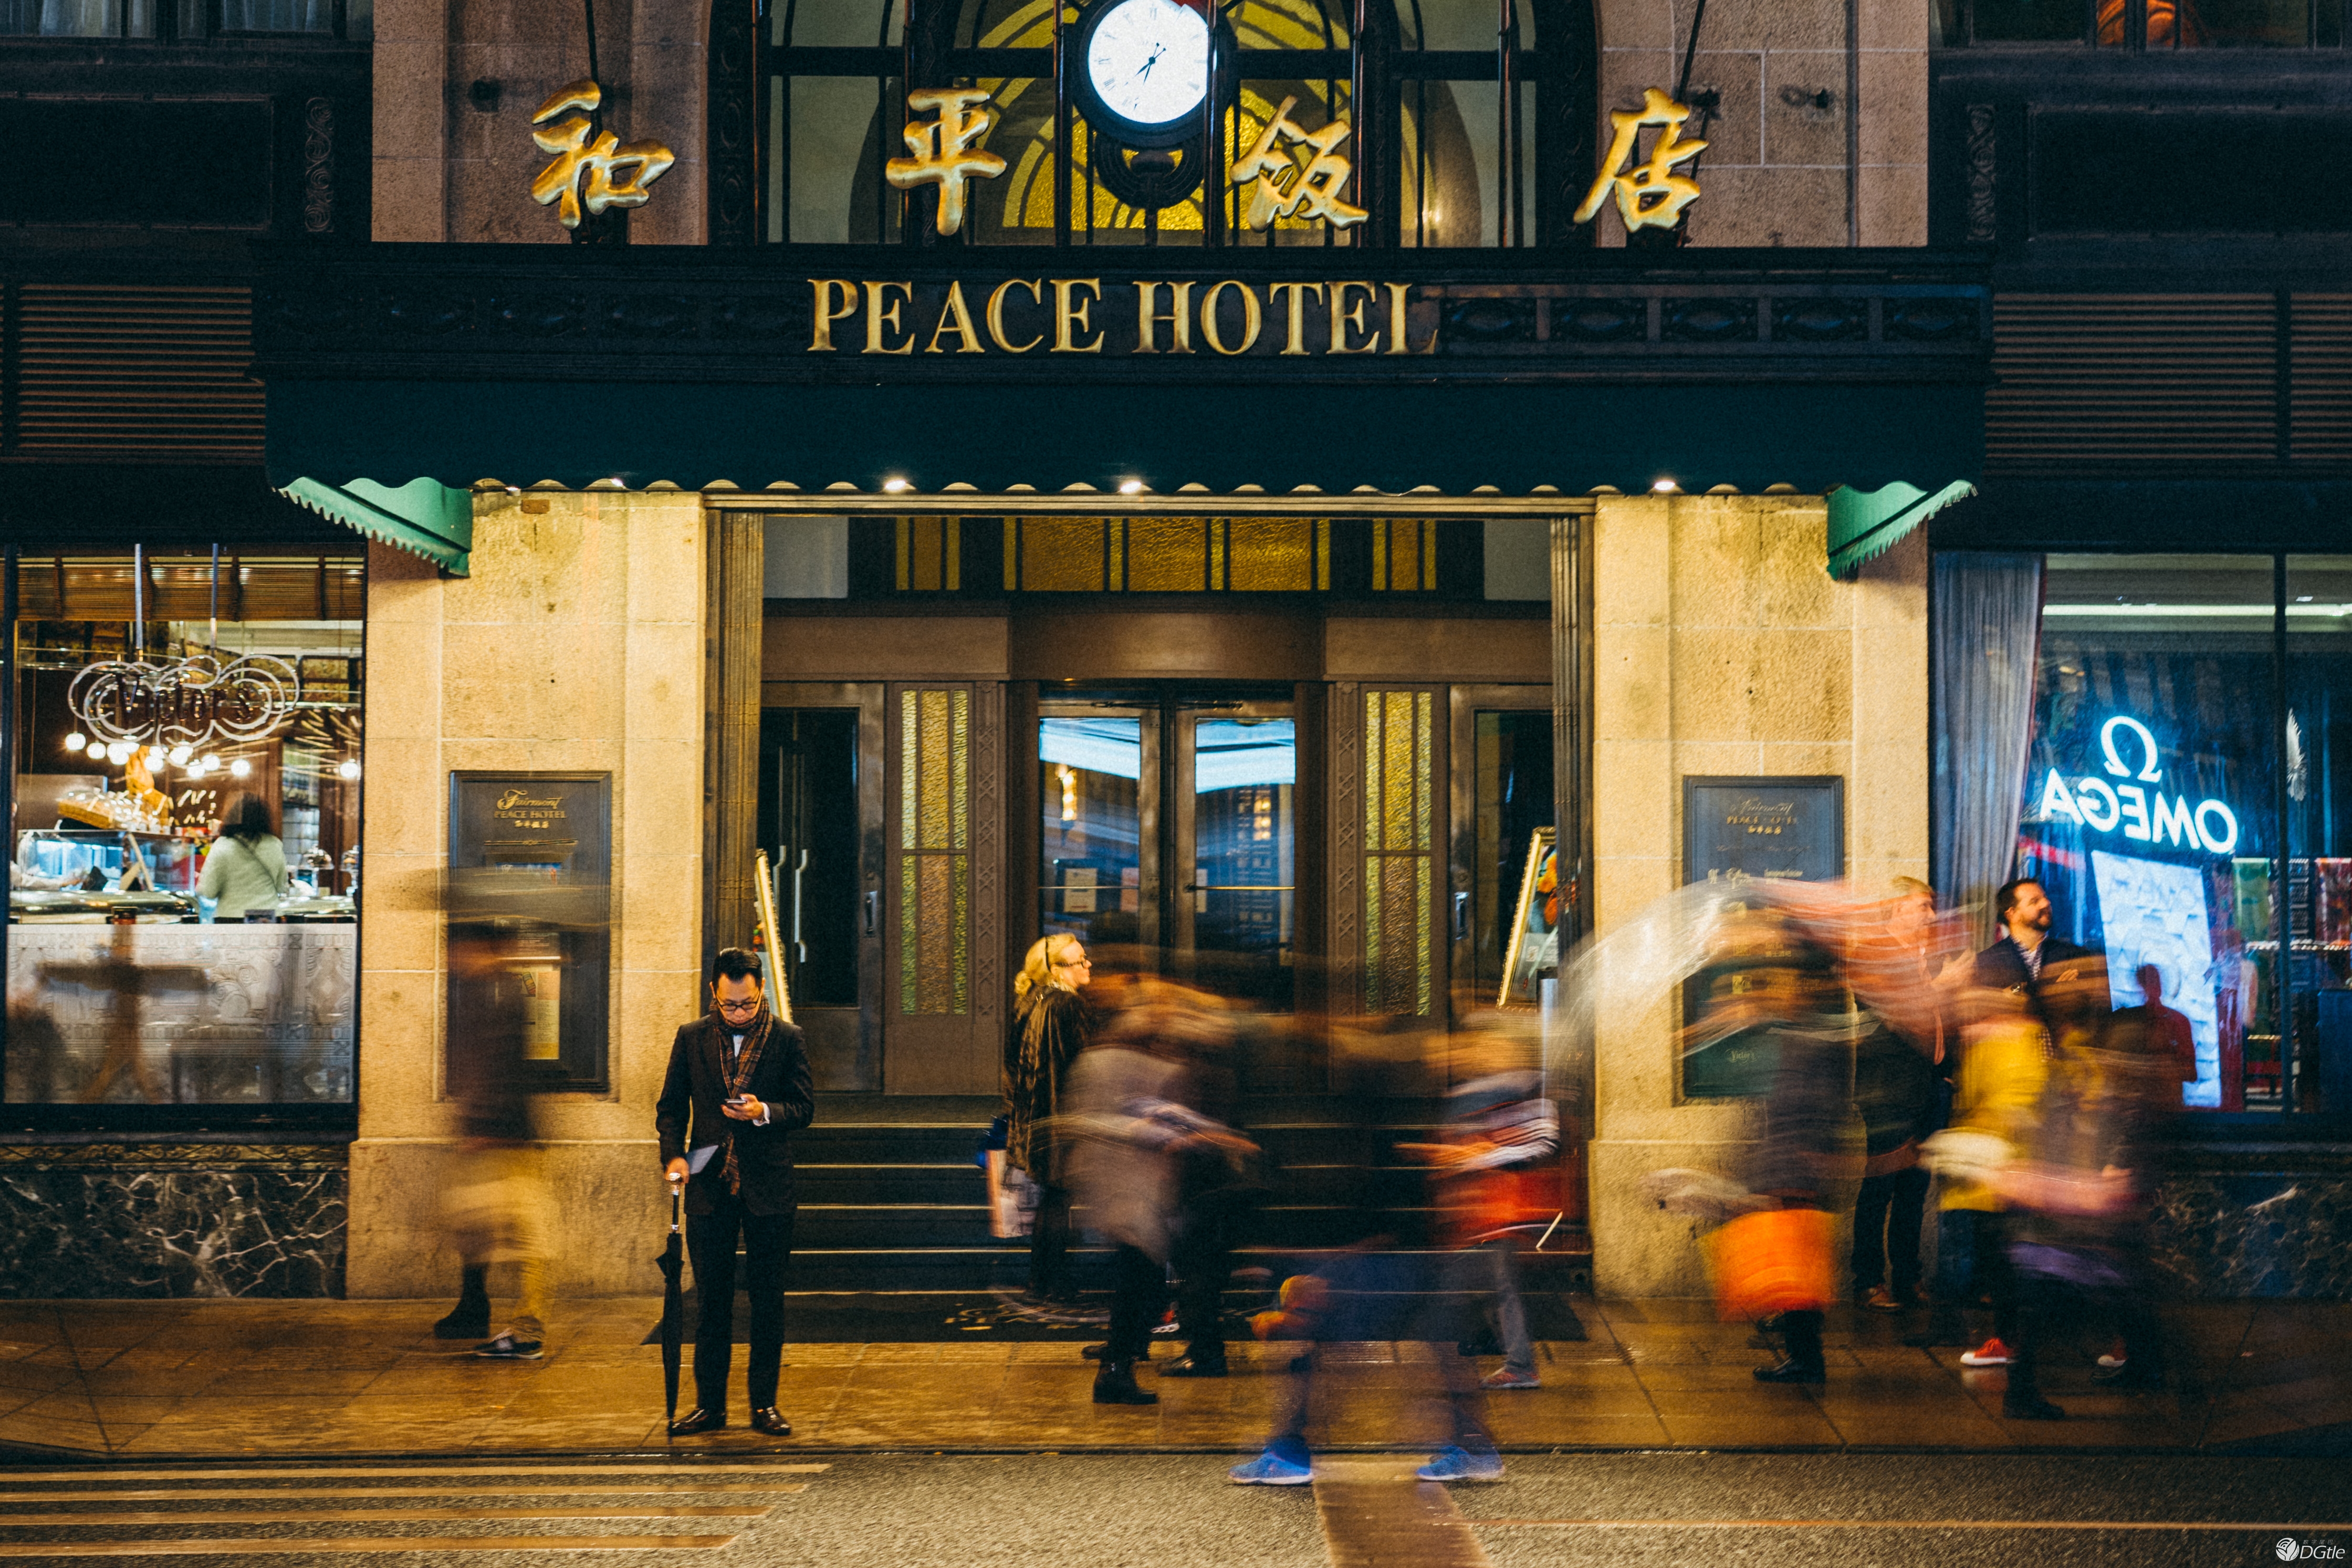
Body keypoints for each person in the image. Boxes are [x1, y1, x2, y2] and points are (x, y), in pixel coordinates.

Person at [1060, 979, 1257, 1406]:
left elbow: (1163, 1119)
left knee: (1140, 1284)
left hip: (1134, 1194)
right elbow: (1132, 1121)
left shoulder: (1120, 1063)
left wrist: (1210, 1137)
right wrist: (1202, 1139)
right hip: (1136, 1195)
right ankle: (1116, 1369)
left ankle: (1118, 1366)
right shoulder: (1140, 1066)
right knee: (1139, 1285)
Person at [656, 948, 814, 1437]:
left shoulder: (787, 1039)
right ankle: (710, 1406)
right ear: (714, 994)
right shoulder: (692, 1038)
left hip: (768, 1184)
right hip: (709, 1185)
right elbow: (670, 1108)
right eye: (729, 1005)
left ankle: (764, 1405)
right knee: (711, 1302)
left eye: (746, 1004)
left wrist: (764, 1110)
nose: (739, 1013)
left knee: (768, 1300)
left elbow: (804, 1108)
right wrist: (673, 1156)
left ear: (760, 991)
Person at [436, 921, 553, 1358]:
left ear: (481, 949)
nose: (454, 958)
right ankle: (474, 1307)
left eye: (460, 949)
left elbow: (501, 1064)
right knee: (474, 1225)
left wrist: (484, 1125)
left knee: (528, 1236)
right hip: (496, 1134)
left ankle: (527, 1330)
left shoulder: (497, 993)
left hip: (506, 1139)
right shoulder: (482, 990)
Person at [1005, 934, 1093, 1305]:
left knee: (1051, 1201)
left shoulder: (1029, 1002)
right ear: (1056, 969)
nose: (1088, 965)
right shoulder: (1067, 1006)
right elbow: (1082, 1063)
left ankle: (1041, 1280)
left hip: (1034, 1117)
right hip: (1062, 1116)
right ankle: (1054, 1281)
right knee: (1058, 1203)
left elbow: (1012, 1063)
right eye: (1079, 961)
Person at [1972, 877, 2090, 1021]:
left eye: (2045, 898)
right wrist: (2051, 991)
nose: (2046, 903)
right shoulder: (1987, 961)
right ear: (2012, 914)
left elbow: (2090, 1009)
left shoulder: (2076, 956)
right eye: (2035, 901)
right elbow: (1985, 1014)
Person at [198, 795, 288, 921]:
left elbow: (208, 891)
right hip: (267, 916)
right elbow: (282, 887)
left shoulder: (223, 845)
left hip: (233, 916)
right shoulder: (274, 844)